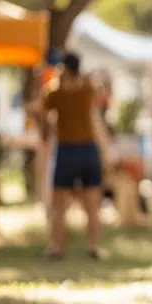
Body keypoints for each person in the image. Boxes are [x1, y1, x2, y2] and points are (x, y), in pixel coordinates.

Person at [40, 53, 108, 260]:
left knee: (59, 204)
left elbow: (44, 111)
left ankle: (57, 246)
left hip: (66, 149)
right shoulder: (88, 88)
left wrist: (55, 80)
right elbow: (98, 91)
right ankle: (94, 245)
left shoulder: (55, 92)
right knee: (92, 203)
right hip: (88, 150)